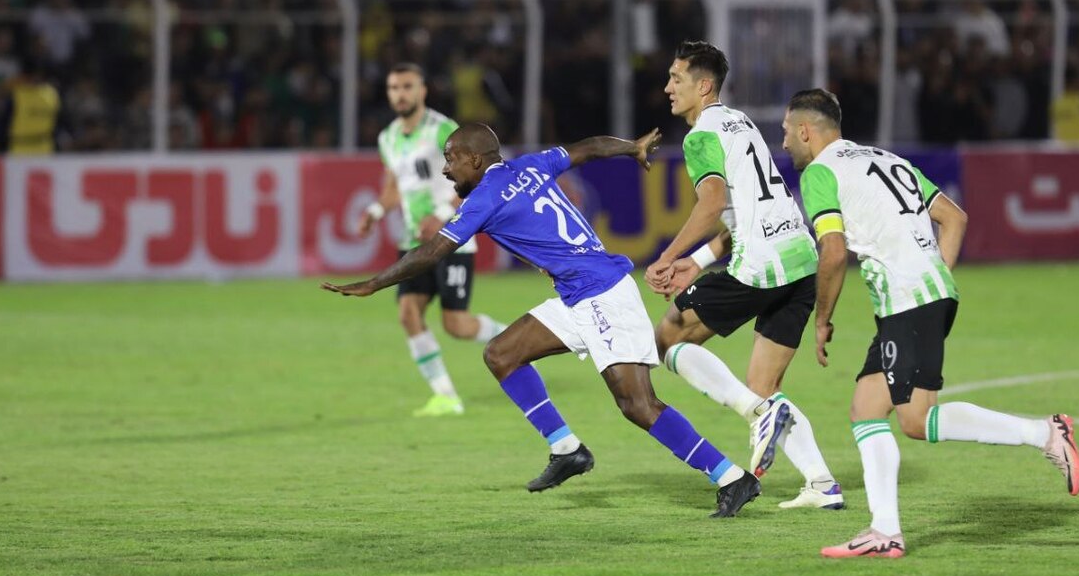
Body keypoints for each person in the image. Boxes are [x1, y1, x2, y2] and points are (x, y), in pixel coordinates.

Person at [325, 123, 775, 518]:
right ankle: (567, 449)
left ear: (475, 160)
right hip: (578, 293)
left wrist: (374, 283)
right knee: (502, 353)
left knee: (637, 405)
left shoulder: (483, 199)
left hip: (601, 295)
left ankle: (731, 477)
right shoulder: (531, 165)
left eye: (451, 160)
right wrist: (631, 148)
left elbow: (432, 252)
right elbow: (590, 146)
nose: (446, 170)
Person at [781, 88, 1079, 558]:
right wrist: (934, 279)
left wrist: (821, 319)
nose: (784, 144)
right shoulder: (889, 160)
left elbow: (834, 252)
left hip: (907, 301)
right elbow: (955, 218)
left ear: (806, 131)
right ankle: (884, 533)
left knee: (915, 419)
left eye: (785, 133)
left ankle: (1043, 433)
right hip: (921, 297)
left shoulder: (821, 173)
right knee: (869, 408)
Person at [644, 40, 844, 510]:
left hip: (761, 264)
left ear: (704, 85)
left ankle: (760, 414)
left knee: (668, 339)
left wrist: (669, 255)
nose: (668, 87)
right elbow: (747, 208)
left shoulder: (700, 136)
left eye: (677, 78)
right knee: (763, 385)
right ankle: (821, 483)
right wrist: (697, 261)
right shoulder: (741, 123)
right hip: (799, 258)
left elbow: (712, 202)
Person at [358, 63, 507, 417]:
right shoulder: (387, 138)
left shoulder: (443, 130)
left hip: (451, 235)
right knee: (408, 314)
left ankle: (514, 336)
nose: (400, 93)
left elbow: (475, 180)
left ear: (423, 90)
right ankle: (445, 396)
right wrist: (377, 211)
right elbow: (394, 187)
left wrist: (440, 212)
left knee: (456, 324)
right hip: (414, 239)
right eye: (394, 87)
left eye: (407, 86)